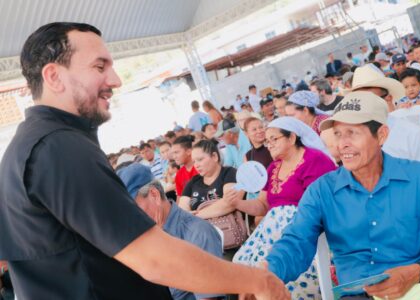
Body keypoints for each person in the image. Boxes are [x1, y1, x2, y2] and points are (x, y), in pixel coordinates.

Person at [0, 22, 290, 300]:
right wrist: (255, 280)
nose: (115, 80)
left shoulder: (24, 151)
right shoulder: (58, 148)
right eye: (99, 67)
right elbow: (154, 257)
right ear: (54, 77)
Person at [264, 91, 420, 300]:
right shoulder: (322, 191)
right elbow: (296, 241)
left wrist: (419, 270)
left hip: (418, 291)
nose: (342, 144)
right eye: (337, 134)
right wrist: (265, 274)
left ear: (381, 135)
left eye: (352, 133)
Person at [229, 117, 336, 299]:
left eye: (274, 139)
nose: (269, 144)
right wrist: (237, 203)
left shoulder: (314, 160)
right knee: (241, 263)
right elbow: (262, 205)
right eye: (267, 141)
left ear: (292, 138)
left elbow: (322, 205)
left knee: (281, 275)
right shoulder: (273, 167)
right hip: (270, 231)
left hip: (303, 232)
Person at [118, 163, 224, 300]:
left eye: (133, 208)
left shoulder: (197, 232)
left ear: (154, 195)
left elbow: (208, 297)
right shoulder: (145, 239)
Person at [348, 64, 420, 174]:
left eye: (372, 100)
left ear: (388, 99)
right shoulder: (351, 142)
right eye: (358, 101)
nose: (364, 107)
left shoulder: (412, 135)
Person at [172, 135, 199, 200]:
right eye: (173, 153)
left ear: (188, 152)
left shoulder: (200, 167)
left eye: (176, 152)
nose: (174, 157)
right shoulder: (179, 174)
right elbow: (180, 197)